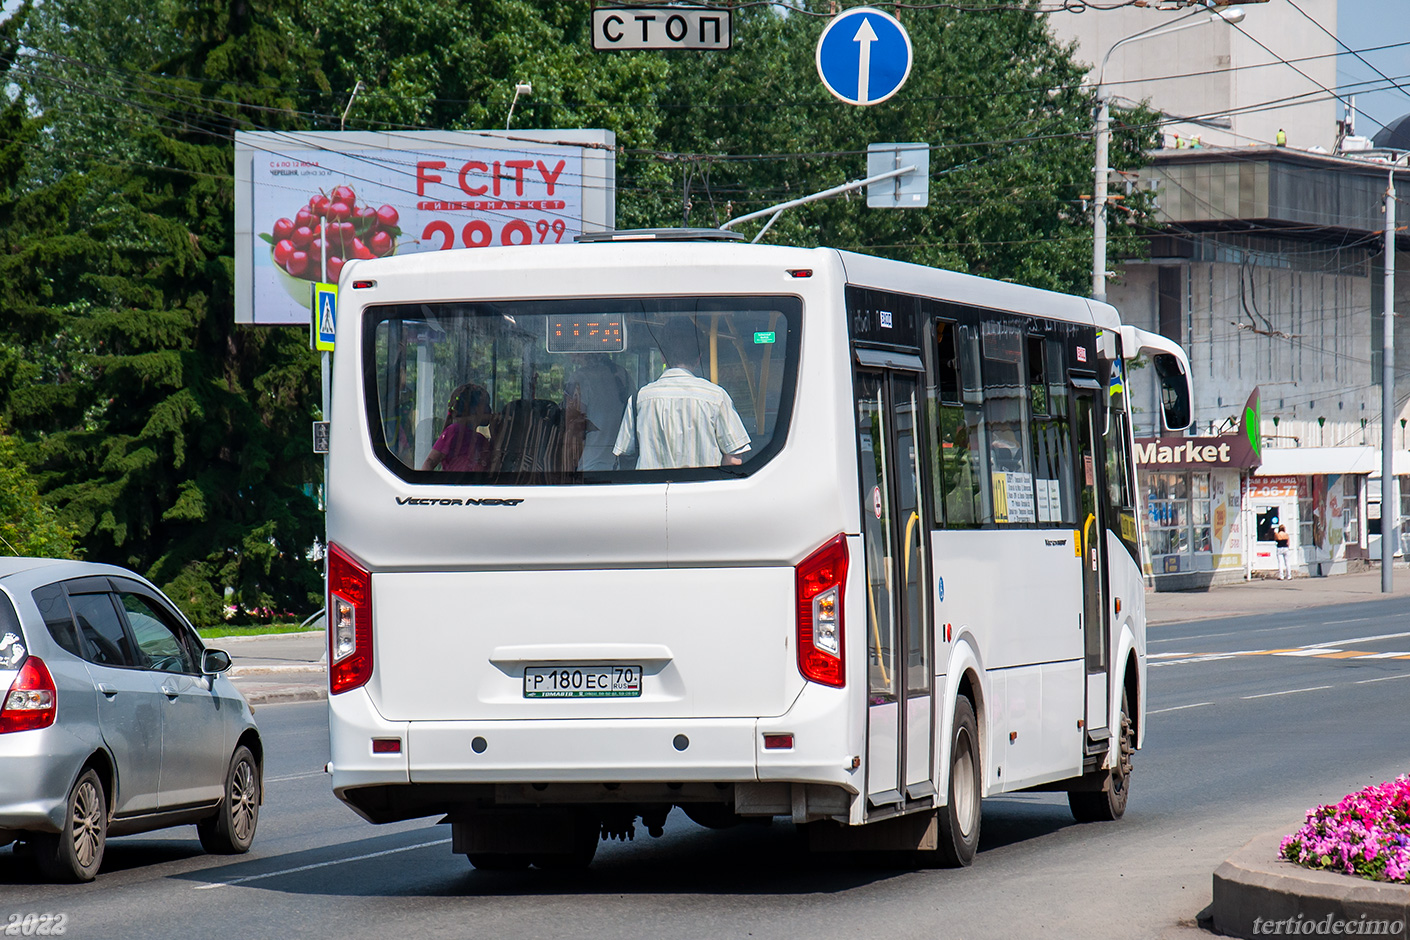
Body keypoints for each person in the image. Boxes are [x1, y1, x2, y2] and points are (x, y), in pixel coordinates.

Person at [612, 318, 750, 470]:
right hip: (703, 492)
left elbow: (624, 454)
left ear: (662, 356)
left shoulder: (639, 399)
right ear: (698, 358)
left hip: (651, 492)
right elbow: (734, 458)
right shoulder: (716, 397)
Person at [565, 355, 632, 471]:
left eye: (576, 354)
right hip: (619, 466)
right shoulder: (623, 375)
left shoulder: (579, 377)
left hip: (588, 466)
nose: (573, 360)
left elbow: (573, 424)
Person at [421, 383, 493, 471]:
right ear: (474, 409)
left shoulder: (481, 439)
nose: (490, 410)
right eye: (486, 405)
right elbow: (430, 462)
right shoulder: (455, 431)